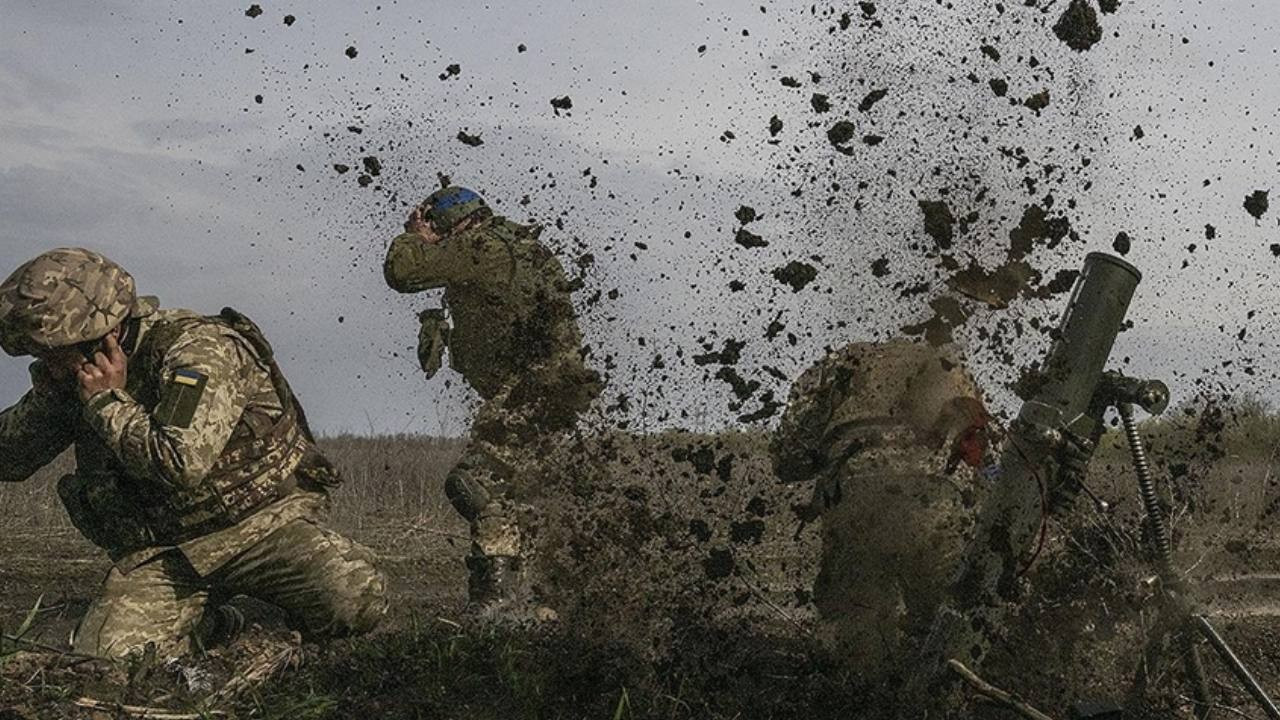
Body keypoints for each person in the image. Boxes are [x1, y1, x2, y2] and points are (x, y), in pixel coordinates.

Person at [0, 248, 387, 659]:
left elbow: (181, 462)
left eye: (52, 354)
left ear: (103, 336)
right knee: (108, 656)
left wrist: (107, 403)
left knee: (355, 597)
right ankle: (220, 624)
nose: (48, 365)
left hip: (261, 528)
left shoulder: (198, 350)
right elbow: (11, 456)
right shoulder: (78, 375)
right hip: (169, 553)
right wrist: (52, 399)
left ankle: (261, 616)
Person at [384, 185, 601, 611]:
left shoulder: (481, 246)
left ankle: (499, 605)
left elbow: (403, 272)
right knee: (520, 493)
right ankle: (548, 599)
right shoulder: (515, 244)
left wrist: (413, 235)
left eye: (435, 225)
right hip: (545, 395)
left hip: (533, 396)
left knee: (478, 484)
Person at [770, 338, 994, 678]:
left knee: (857, 631)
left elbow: (788, 455)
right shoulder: (948, 364)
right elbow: (987, 461)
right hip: (938, 499)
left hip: (858, 495)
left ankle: (866, 696)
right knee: (951, 623)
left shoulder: (840, 363)